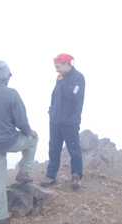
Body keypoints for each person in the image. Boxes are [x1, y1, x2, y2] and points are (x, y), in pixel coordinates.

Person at [0, 60, 38, 224]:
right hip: (9, 140)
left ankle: (1, 215)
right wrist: (29, 132)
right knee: (33, 139)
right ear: (6, 77)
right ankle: (24, 171)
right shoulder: (11, 93)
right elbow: (21, 121)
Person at [41, 53, 86, 189]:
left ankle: (76, 175)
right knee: (53, 149)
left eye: (58, 66)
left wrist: (61, 83)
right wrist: (51, 112)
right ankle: (51, 175)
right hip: (55, 121)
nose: (56, 70)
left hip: (70, 121)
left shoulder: (78, 78)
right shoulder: (61, 79)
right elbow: (54, 97)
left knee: (74, 149)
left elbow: (73, 94)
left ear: (67, 64)